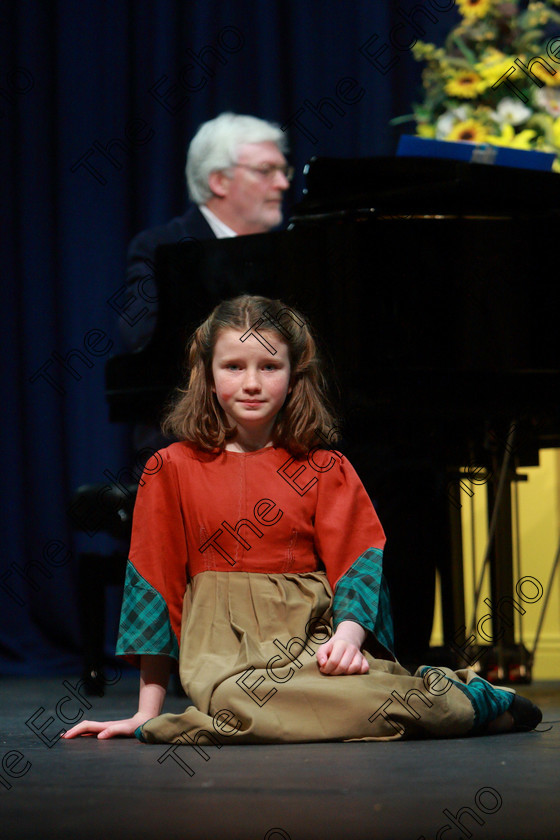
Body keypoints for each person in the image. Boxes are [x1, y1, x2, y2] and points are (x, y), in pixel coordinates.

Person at [64, 295, 542, 744]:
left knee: (319, 695)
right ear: (208, 377)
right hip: (222, 654)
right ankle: (451, 706)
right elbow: (156, 585)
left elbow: (358, 561)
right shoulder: (170, 469)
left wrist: (349, 639)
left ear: (293, 377)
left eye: (269, 366)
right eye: (233, 367)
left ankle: (462, 702)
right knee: (235, 699)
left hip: (312, 640)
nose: (252, 383)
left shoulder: (324, 467)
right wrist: (147, 712)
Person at [122, 112, 292, 352]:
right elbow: (140, 339)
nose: (283, 184)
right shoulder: (161, 246)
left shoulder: (289, 249)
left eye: (284, 171)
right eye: (266, 170)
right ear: (219, 181)